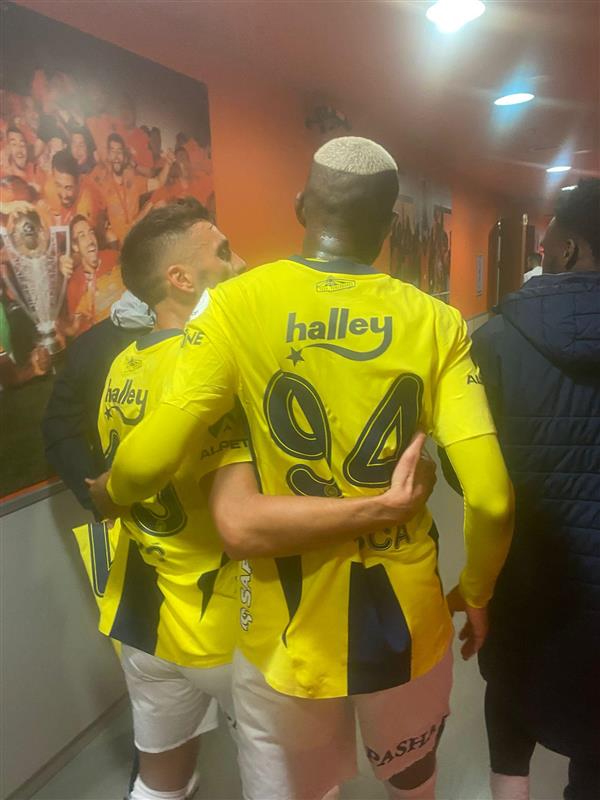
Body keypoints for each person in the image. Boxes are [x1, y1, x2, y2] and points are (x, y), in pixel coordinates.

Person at [91, 137, 514, 800]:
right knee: (413, 779)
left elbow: (144, 463)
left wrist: (110, 490)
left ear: (299, 207)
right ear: (389, 225)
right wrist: (478, 591)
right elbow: (490, 499)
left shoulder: (233, 306)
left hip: (283, 630)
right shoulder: (438, 321)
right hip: (407, 614)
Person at [470, 179, 600, 800]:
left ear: (568, 248)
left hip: (523, 577)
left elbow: (468, 473)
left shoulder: (494, 339)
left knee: (510, 716)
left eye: (547, 241)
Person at [42, 288, 155, 515]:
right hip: (136, 513)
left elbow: (58, 426)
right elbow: (59, 427)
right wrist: (98, 494)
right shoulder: (89, 348)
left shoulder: (87, 346)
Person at [97, 133, 173, 244]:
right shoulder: (102, 185)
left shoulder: (133, 181)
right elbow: (98, 219)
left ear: (124, 156)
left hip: (136, 239)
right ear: (108, 155)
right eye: (113, 151)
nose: (116, 156)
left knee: (161, 203)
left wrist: (168, 163)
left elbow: (158, 182)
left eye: (119, 151)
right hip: (116, 244)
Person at [61, 215, 123, 336]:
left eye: (91, 232)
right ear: (75, 246)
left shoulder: (114, 258)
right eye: (82, 236)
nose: (90, 240)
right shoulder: (74, 286)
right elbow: (77, 332)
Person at [41, 150, 98, 228]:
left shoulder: (88, 194)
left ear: (79, 181)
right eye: (58, 185)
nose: (64, 195)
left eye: (68, 188)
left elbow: (82, 230)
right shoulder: (48, 188)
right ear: (53, 176)